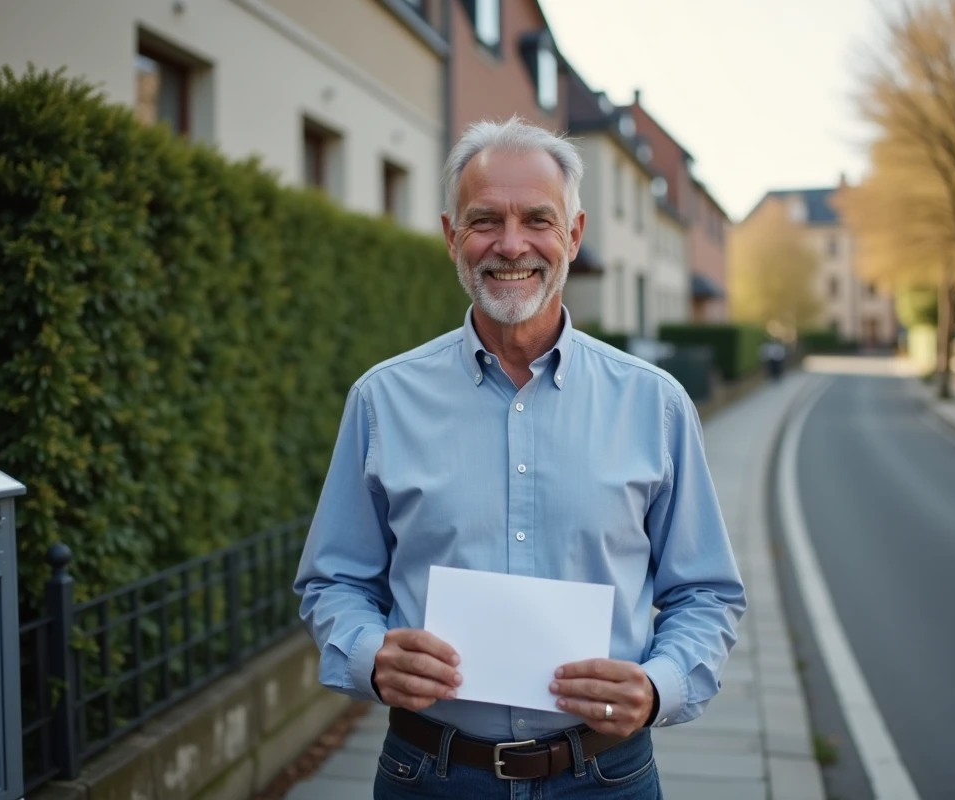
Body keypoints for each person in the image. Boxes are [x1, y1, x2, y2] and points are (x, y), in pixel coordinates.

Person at [294, 117, 746, 799]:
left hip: (606, 777)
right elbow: (333, 581)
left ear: (573, 234)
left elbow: (705, 593)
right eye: (485, 221)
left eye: (537, 218)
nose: (510, 245)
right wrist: (369, 655)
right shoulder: (382, 401)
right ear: (451, 237)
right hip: (429, 775)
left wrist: (660, 686)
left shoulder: (655, 404)